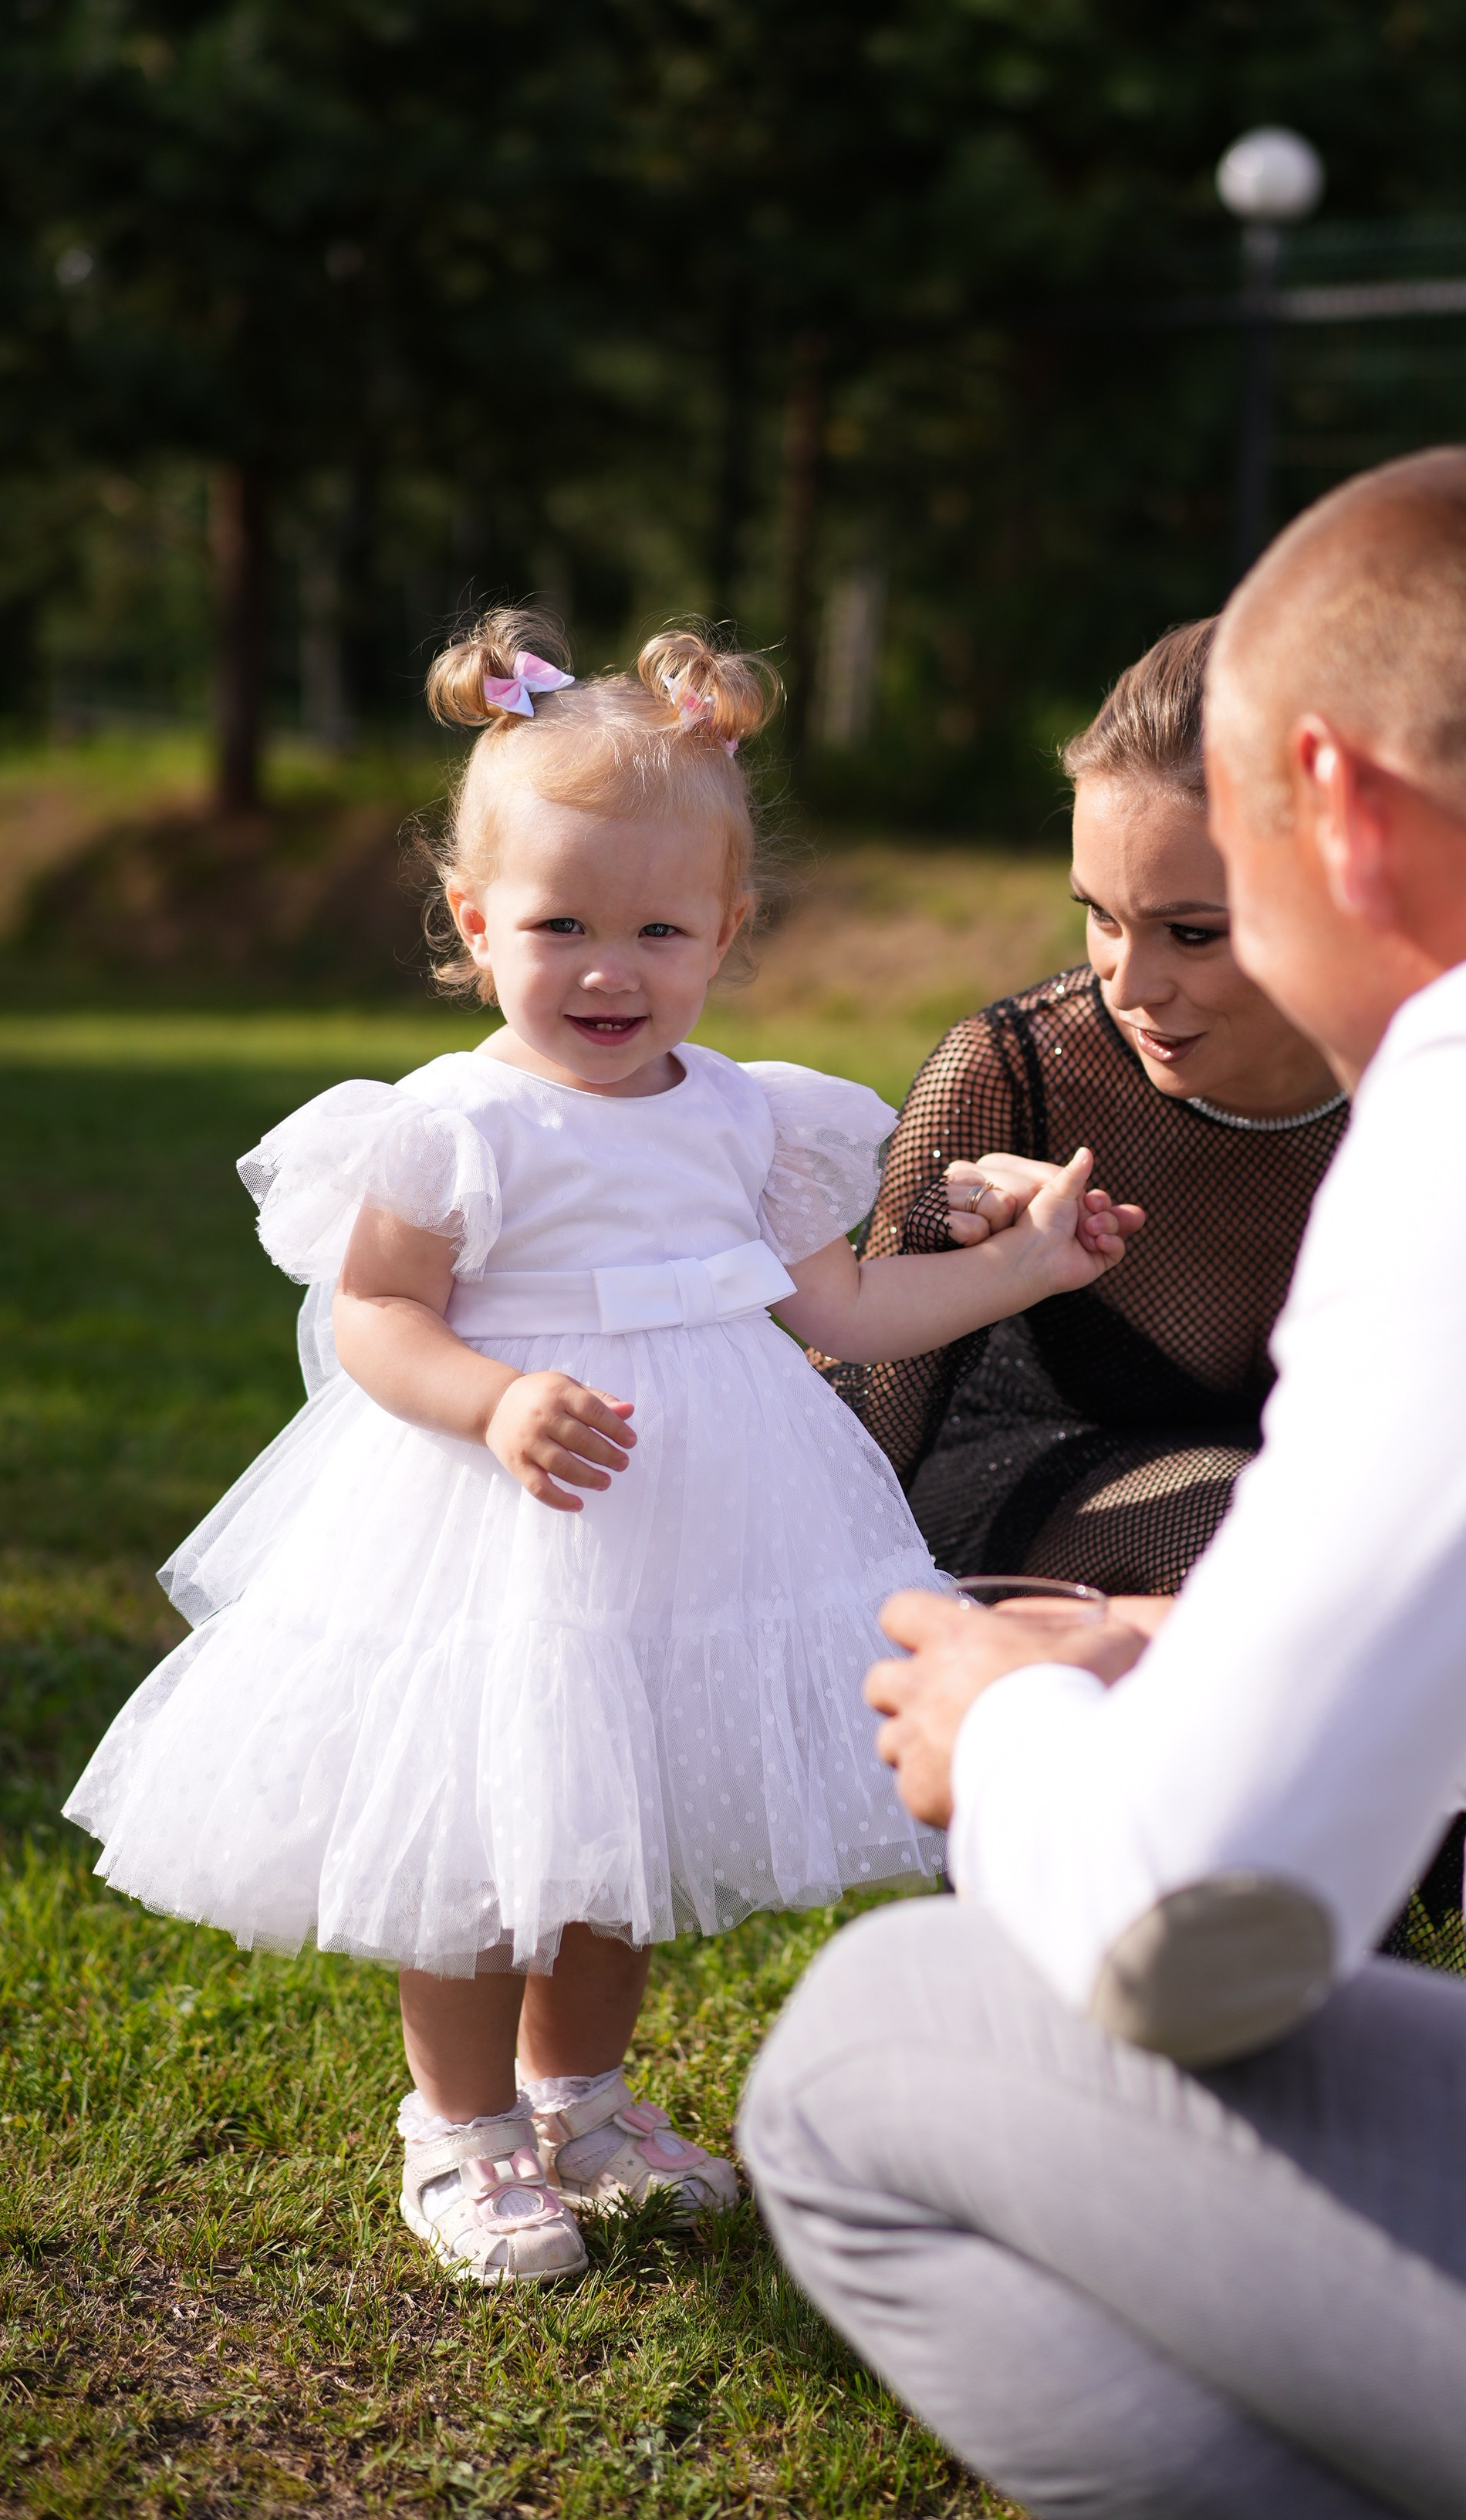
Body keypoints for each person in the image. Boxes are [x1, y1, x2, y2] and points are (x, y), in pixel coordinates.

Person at [741, 448, 1466, 2519]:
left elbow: (1194, 1926)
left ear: (1343, 812)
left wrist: (1010, 1717)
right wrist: (1197, 1634)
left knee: (860, 2062)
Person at [66, 614, 1138, 2291]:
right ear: (474, 923)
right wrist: (490, 1398)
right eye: (558, 924)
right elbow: (378, 1322)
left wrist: (1024, 1266)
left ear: (726, 932)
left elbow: (841, 1312)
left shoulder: (747, 1117)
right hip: (503, 1519)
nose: (606, 970)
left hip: (700, 1515)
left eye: (656, 928)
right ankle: (462, 2128)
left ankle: (585, 2100)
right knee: (488, 1843)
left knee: (615, 1826)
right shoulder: (451, 1124)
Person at [825, 617, 1346, 1599]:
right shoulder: (1011, 1074)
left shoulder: (1440, 1074)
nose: (1128, 983)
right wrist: (956, 1239)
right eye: (1099, 917)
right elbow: (837, 1459)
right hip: (1039, 1496)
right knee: (1242, 1522)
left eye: (1190, 935)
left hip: (1340, 1515)